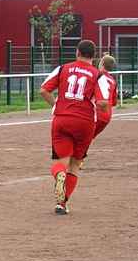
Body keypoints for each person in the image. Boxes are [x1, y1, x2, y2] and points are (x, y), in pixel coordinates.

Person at [40, 40, 109, 215]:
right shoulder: (97, 75)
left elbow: (43, 90)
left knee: (60, 162)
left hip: (62, 119)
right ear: (93, 56)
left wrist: (55, 105)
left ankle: (59, 175)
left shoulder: (63, 68)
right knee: (75, 165)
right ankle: (61, 204)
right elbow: (102, 103)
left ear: (77, 52)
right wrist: (101, 105)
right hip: (84, 122)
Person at [81, 54, 118, 167]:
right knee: (88, 136)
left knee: (79, 134)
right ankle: (80, 158)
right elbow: (114, 102)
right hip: (107, 116)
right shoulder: (112, 80)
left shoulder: (96, 76)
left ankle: (77, 159)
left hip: (96, 112)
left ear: (101, 64)